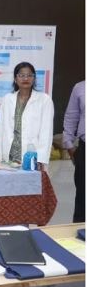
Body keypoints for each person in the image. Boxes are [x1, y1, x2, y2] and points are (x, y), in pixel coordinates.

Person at [0, 62, 54, 166]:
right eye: (21, 75)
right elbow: (1, 130)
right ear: (15, 79)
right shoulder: (8, 99)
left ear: (34, 79)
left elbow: (46, 132)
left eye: (29, 75)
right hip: (9, 155)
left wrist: (41, 159)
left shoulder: (44, 100)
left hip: (32, 156)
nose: (25, 78)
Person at [63, 80, 85, 222]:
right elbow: (71, 116)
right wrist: (69, 144)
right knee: (83, 198)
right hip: (85, 149)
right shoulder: (80, 87)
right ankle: (81, 232)